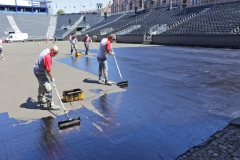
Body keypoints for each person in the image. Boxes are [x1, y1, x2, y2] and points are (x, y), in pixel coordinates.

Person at [33, 45, 60, 110]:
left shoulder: (47, 50)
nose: (55, 55)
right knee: (48, 88)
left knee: (41, 86)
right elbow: (48, 70)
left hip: (37, 70)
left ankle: (40, 100)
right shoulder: (47, 57)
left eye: (56, 54)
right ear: (52, 50)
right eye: (55, 53)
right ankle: (50, 104)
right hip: (40, 73)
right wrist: (52, 78)